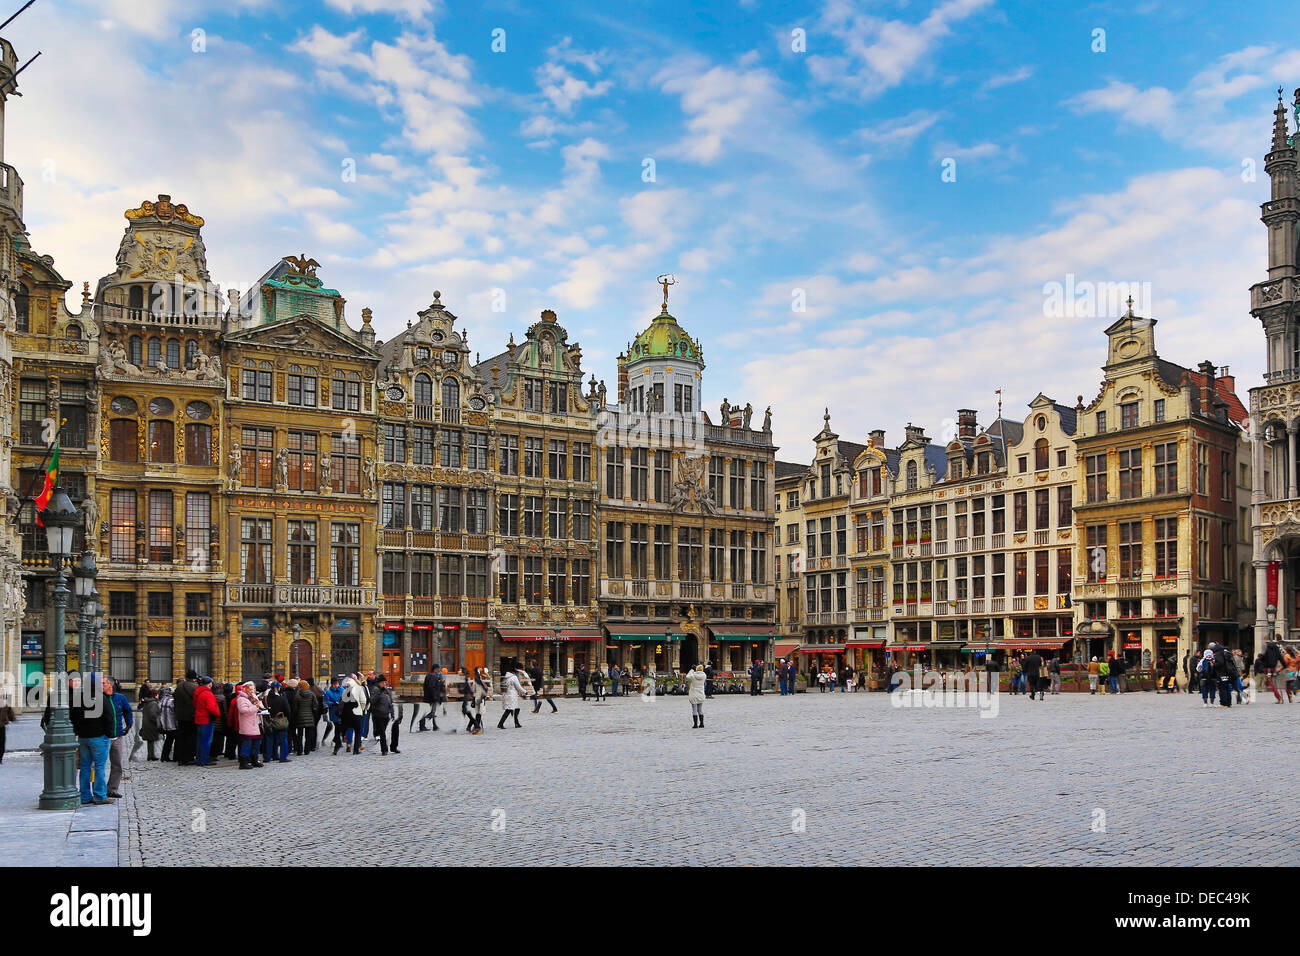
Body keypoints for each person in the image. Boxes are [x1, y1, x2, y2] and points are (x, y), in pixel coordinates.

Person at [71, 676, 114, 805]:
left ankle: (84, 795)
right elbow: (109, 717)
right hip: (99, 737)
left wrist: (79, 731)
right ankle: (99, 795)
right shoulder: (101, 698)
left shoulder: (78, 698)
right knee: (100, 766)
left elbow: (73, 717)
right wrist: (108, 733)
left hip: (83, 737)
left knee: (85, 766)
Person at [231, 682, 264, 770]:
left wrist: (257, 700)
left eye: (254, 689)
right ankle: (244, 762)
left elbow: (261, 707)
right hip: (247, 724)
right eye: (251, 689)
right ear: (246, 689)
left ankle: (254, 760)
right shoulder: (241, 699)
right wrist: (255, 707)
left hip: (255, 724)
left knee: (256, 743)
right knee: (247, 744)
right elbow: (243, 710)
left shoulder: (252, 698)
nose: (253, 691)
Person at [336, 674, 368, 755]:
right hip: (357, 713)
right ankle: (356, 749)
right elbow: (363, 701)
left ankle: (345, 745)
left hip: (346, 715)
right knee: (358, 731)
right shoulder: (359, 689)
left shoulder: (345, 691)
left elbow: (341, 703)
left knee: (346, 729)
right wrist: (362, 709)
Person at [192, 676, 220, 766]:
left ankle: (199, 759)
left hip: (199, 718)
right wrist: (217, 714)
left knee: (200, 740)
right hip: (206, 719)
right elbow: (212, 708)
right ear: (210, 684)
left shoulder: (197, 692)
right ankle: (204, 760)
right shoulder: (208, 694)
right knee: (206, 741)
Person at [173, 670, 198, 765]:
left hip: (180, 715)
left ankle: (180, 757)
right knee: (190, 738)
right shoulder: (195, 687)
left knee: (181, 737)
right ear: (194, 678)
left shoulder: (179, 686)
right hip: (191, 716)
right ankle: (189, 758)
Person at [131, 685, 161, 761]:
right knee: (152, 740)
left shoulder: (147, 702)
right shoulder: (153, 703)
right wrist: (157, 721)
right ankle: (151, 755)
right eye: (157, 694)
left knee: (150, 741)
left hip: (146, 724)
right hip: (151, 725)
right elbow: (153, 715)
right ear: (155, 695)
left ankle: (151, 755)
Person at [292, 675, 319, 754]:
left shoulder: (297, 695)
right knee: (308, 735)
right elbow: (316, 705)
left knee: (300, 735)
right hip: (310, 717)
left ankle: (299, 750)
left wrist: (295, 715)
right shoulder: (311, 694)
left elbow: (295, 708)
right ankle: (307, 750)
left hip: (300, 717)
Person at [370, 674, 396, 755]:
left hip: (386, 715)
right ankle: (384, 750)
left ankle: (387, 748)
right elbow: (372, 701)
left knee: (385, 732)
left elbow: (390, 703)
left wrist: (392, 713)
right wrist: (378, 694)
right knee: (382, 733)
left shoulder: (387, 691)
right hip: (378, 715)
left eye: (385, 682)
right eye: (383, 682)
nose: (384, 684)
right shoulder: (375, 690)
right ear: (379, 683)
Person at [497, 664, 525, 729]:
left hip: (506, 694)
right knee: (509, 710)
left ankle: (516, 723)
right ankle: (500, 724)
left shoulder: (506, 676)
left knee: (516, 708)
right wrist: (525, 691)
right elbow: (518, 687)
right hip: (512, 695)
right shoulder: (513, 677)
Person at [420, 667, 444, 731]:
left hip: (428, 696)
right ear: (435, 669)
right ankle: (422, 724)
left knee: (432, 711)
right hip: (432, 697)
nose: (438, 671)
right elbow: (432, 687)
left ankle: (434, 725)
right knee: (432, 712)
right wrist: (435, 697)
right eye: (437, 669)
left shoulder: (429, 675)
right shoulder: (433, 676)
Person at [322, 676, 344, 748]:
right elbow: (326, 702)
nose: (336, 685)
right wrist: (333, 703)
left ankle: (336, 740)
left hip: (342, 711)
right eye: (335, 684)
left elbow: (346, 697)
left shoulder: (342, 690)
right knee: (337, 727)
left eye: (337, 683)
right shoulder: (328, 692)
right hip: (334, 712)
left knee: (341, 728)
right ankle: (338, 742)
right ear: (332, 684)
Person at [686, 662, 707, 728]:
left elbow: (687, 677)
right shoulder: (704, 675)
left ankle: (695, 724)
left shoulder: (693, 675)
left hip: (694, 693)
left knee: (694, 710)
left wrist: (692, 670)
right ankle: (702, 723)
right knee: (700, 709)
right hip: (701, 693)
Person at [0, 693, 13, 764]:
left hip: (1, 725)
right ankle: (0, 758)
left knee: (1, 743)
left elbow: (9, 711)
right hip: (1, 726)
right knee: (1, 743)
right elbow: (9, 712)